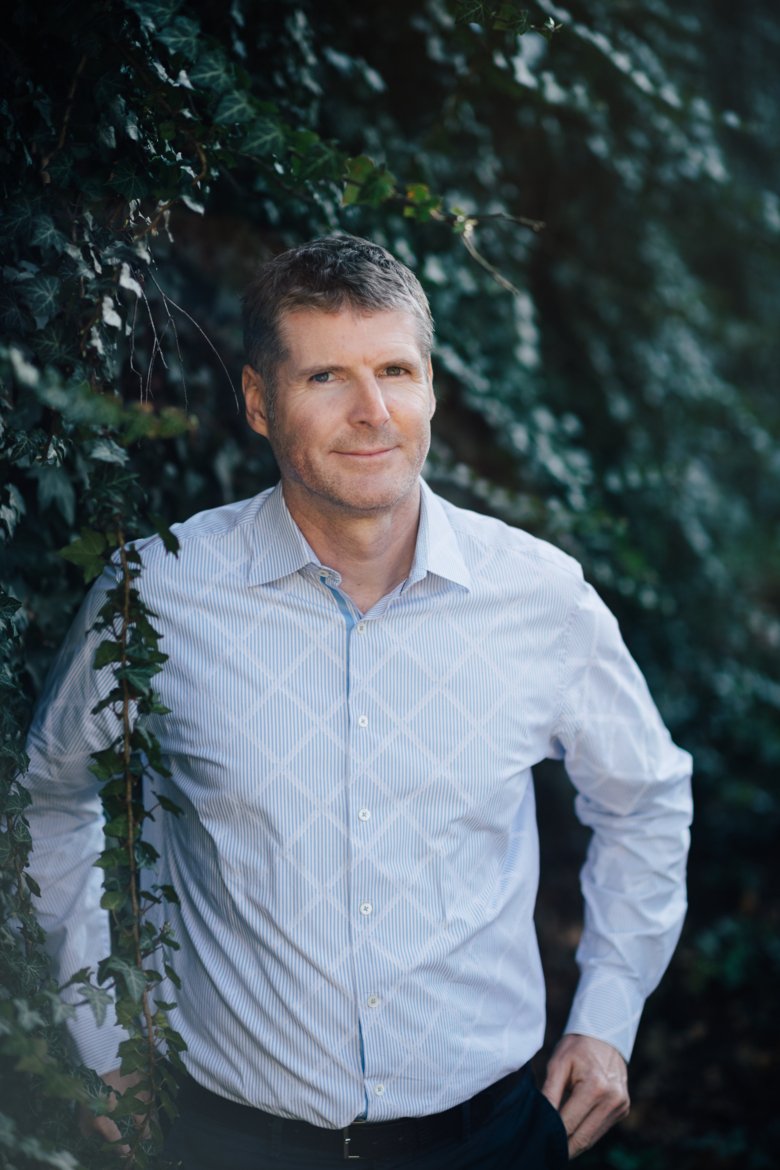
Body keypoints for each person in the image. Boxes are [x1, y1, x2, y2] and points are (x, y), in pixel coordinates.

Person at [24, 235, 693, 1169]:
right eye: (326, 376)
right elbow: (47, 802)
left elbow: (646, 798)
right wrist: (100, 1040)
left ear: (432, 388)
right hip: (225, 1141)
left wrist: (609, 1016)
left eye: (396, 371)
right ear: (259, 401)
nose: (372, 412)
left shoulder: (541, 599)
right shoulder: (158, 594)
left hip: (488, 1140)